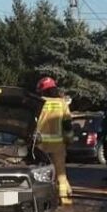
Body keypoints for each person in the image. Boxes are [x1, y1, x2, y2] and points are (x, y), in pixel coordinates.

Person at [35, 77, 74, 205]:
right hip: (58, 143)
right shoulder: (62, 103)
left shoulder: (38, 102)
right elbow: (67, 123)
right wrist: (69, 139)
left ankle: (43, 197)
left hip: (41, 144)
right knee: (60, 170)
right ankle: (64, 197)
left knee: (42, 172)